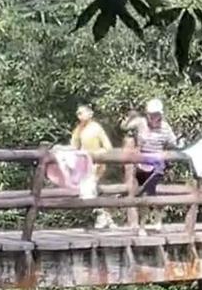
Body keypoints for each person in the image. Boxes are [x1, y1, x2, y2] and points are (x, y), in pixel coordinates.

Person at [121, 98, 178, 230]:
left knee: (150, 192)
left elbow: (173, 143)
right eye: (151, 114)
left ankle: (153, 221)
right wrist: (131, 117)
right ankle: (145, 224)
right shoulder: (141, 123)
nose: (154, 117)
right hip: (142, 164)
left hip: (157, 163)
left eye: (157, 114)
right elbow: (124, 127)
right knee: (143, 194)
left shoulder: (165, 127)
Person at [71, 105, 115, 230]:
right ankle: (106, 217)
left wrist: (96, 155)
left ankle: (102, 215)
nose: (79, 115)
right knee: (87, 191)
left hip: (96, 163)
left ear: (90, 114)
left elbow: (108, 147)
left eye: (82, 112)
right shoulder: (78, 129)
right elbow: (74, 146)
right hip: (83, 164)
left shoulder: (96, 128)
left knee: (89, 190)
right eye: (78, 113)